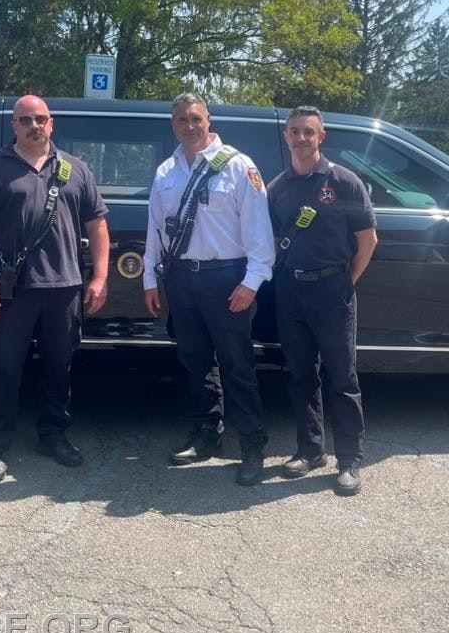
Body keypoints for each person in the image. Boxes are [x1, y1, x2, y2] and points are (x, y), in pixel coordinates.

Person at [0, 95, 109, 483]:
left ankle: (54, 436)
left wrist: (99, 277)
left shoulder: (75, 169)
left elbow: (96, 225)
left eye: (40, 118)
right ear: (15, 125)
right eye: (25, 119)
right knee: (2, 369)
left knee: (59, 367)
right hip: (11, 291)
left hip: (65, 288)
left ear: (51, 123)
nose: (34, 125)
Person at [144, 93, 275, 486]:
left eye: (195, 118)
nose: (189, 126)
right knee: (196, 361)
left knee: (237, 364)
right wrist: (150, 279)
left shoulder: (237, 166)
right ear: (173, 124)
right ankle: (206, 433)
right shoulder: (166, 171)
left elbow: (259, 233)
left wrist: (251, 284)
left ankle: (252, 443)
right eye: (182, 119)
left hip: (226, 278)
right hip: (182, 279)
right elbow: (155, 229)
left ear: (209, 119)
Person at [267, 105, 378, 496]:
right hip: (290, 292)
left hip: (332, 290)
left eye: (308, 132)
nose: (301, 138)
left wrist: (344, 282)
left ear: (321, 136)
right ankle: (310, 449)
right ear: (286, 136)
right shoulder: (276, 188)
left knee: (342, 377)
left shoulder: (345, 183)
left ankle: (350, 460)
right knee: (300, 376)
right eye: (294, 131)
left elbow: (368, 241)